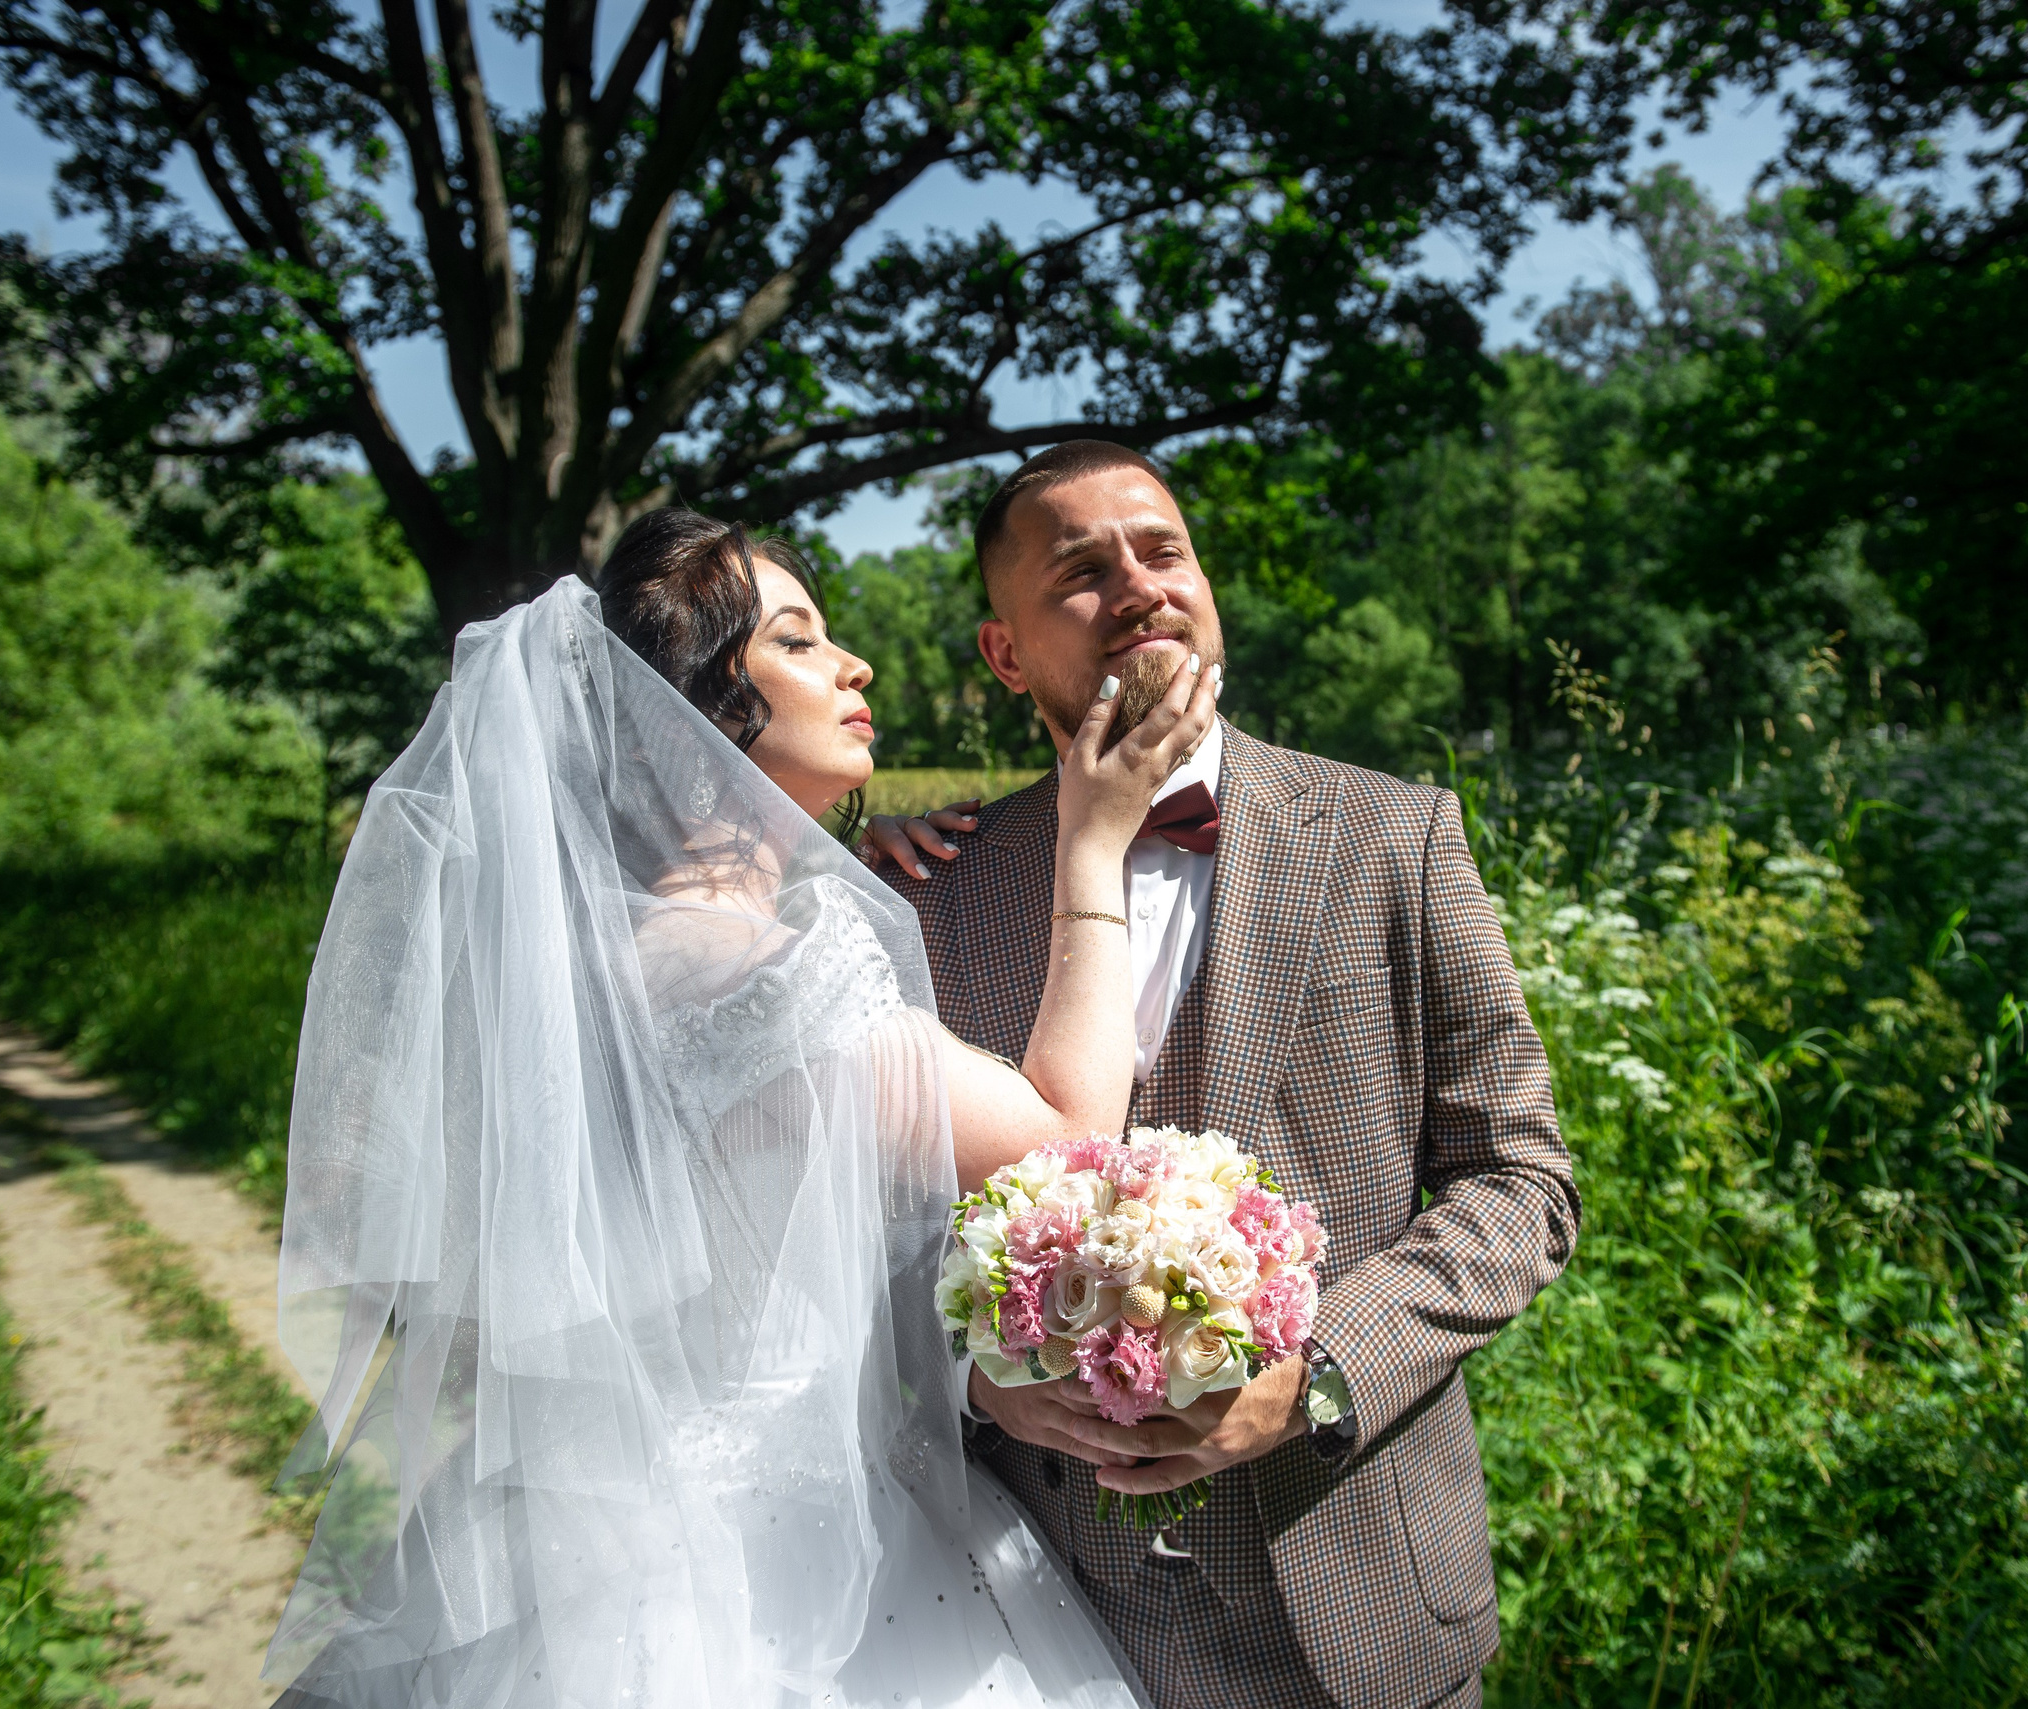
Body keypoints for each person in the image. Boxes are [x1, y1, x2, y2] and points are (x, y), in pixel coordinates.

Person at [263, 510, 1216, 1708]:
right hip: (772, 1570)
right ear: (704, 709)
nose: (852, 664)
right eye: (801, 641)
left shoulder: (582, 966)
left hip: (566, 1528)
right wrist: (1092, 841)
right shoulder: (774, 975)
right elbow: (1062, 1144)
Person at [866, 442, 1580, 1709]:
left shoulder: (1394, 834)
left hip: (1363, 1611)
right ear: (1004, 654)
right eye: (1079, 570)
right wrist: (973, 1379)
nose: (1137, 583)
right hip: (1039, 1622)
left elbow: (1520, 1183)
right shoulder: (927, 891)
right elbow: (861, 1237)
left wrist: (1321, 1370)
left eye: (1162, 548)